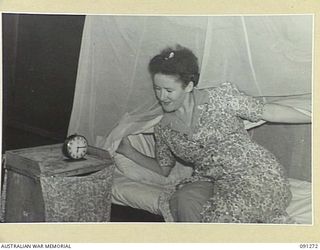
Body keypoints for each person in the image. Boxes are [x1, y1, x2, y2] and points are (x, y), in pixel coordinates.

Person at [116, 45, 311, 223]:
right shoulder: (164, 129)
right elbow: (164, 168)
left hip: (254, 172)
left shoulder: (221, 98)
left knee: (226, 216)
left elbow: (270, 112)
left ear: (189, 86)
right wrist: (130, 152)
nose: (161, 97)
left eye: (169, 90)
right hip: (211, 180)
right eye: (157, 89)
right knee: (183, 199)